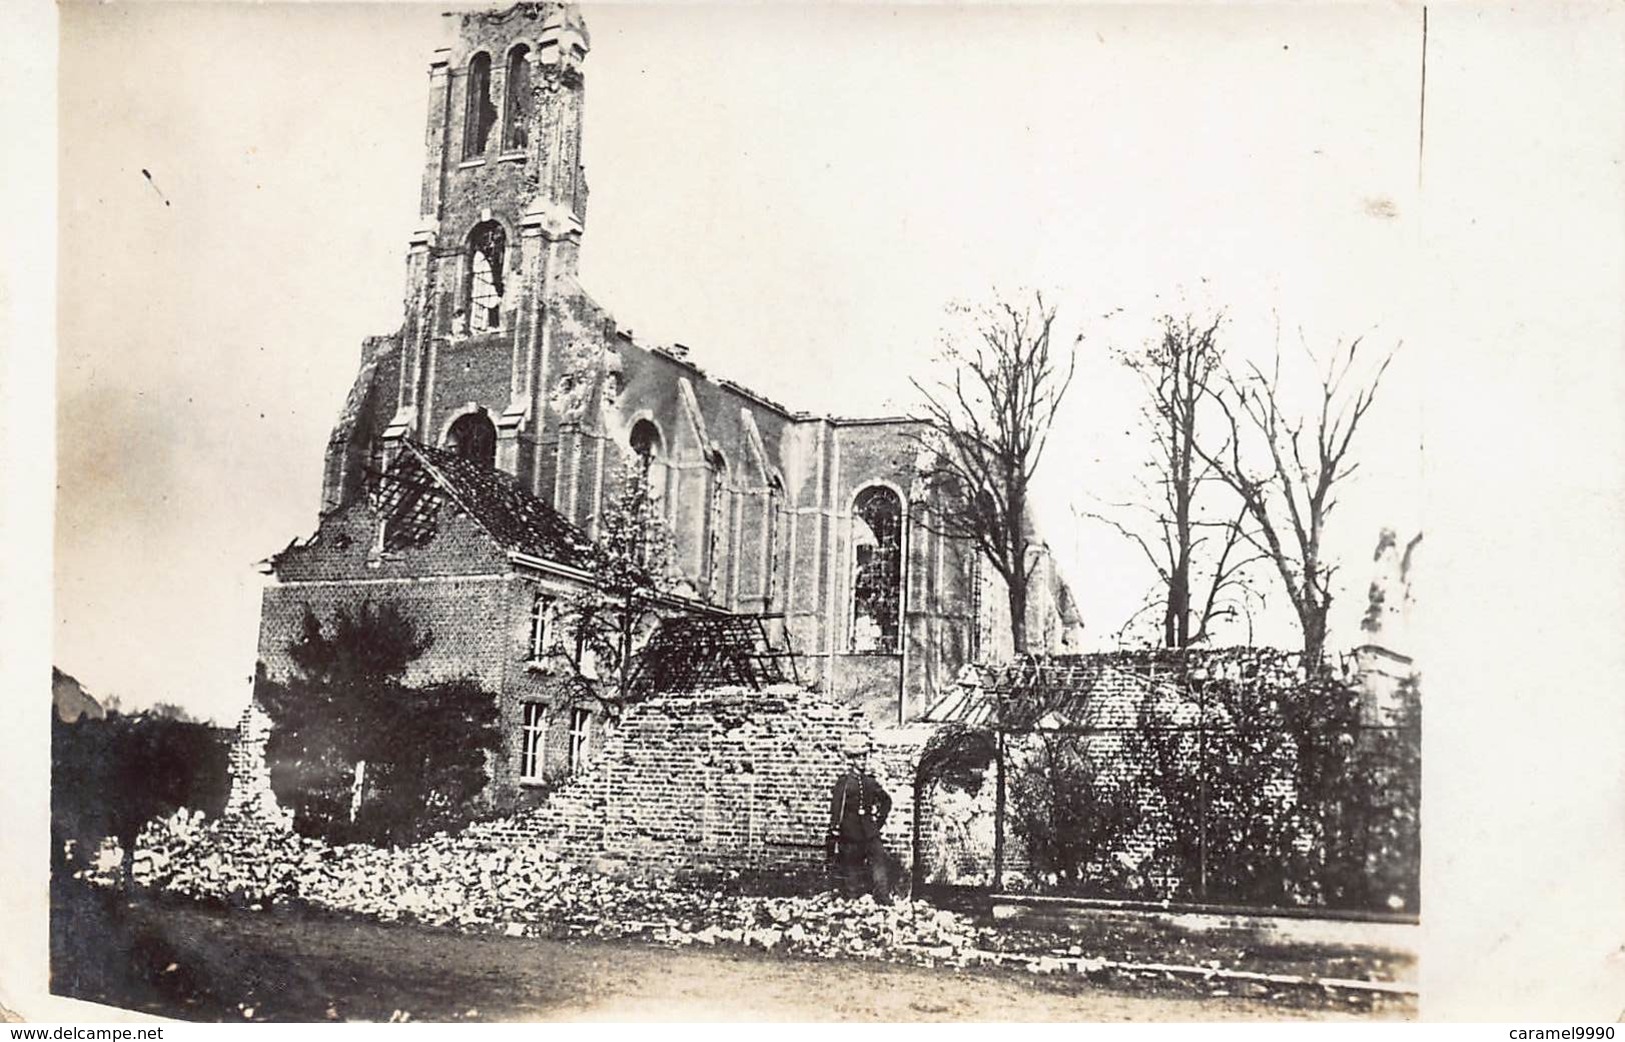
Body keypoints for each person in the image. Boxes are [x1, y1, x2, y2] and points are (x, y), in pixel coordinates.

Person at [826, 732, 893, 901]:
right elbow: (837, 808)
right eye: (859, 758)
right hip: (850, 831)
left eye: (864, 758)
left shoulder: (870, 782)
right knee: (851, 867)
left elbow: (886, 801)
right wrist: (835, 829)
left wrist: (877, 823)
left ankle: (883, 898)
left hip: (869, 832)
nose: (862, 761)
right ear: (852, 760)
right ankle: (851, 900)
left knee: (879, 861)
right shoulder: (845, 782)